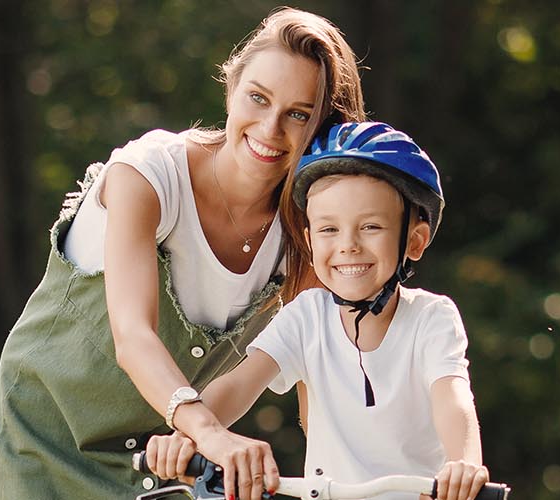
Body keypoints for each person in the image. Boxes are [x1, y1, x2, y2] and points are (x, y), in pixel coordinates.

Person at [0, 7, 368, 499]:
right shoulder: (147, 176)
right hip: (44, 439)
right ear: (230, 90)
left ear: (323, 129)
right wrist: (210, 434)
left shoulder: (305, 234)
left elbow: (317, 364)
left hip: (163, 460)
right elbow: (133, 335)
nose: (271, 129)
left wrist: (342, 476)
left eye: (298, 114)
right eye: (258, 98)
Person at [141, 122, 491, 500]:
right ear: (308, 239)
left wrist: (465, 463)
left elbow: (452, 400)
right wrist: (189, 434)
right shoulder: (308, 316)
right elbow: (239, 383)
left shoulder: (431, 318)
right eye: (328, 230)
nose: (348, 246)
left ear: (415, 241)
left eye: (370, 227)